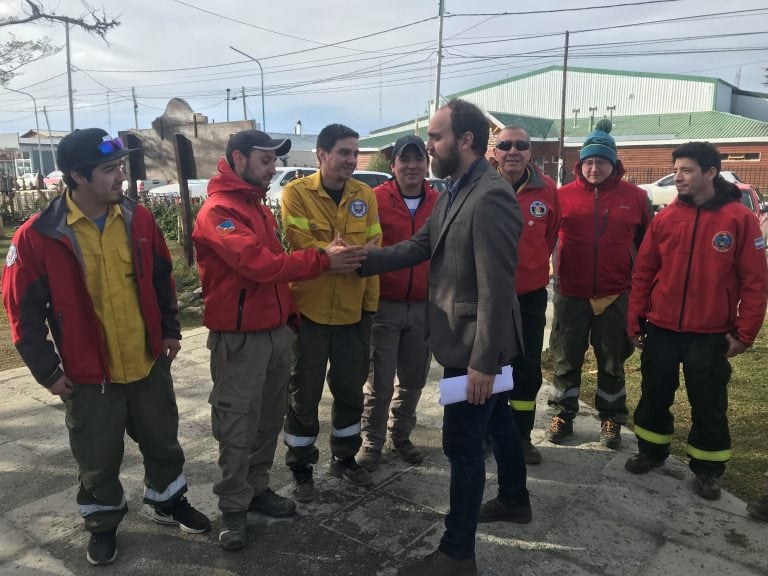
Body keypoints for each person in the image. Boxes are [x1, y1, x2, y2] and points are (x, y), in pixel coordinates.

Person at [1, 128, 210, 566]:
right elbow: (23, 313)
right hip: (87, 373)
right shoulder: (38, 236)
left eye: (120, 167)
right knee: (97, 457)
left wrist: (170, 330)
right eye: (109, 170)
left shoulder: (138, 219)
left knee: (162, 442)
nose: (121, 178)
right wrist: (48, 372)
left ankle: (168, 501)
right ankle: (103, 524)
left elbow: (160, 278)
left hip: (147, 361)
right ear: (77, 176)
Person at [360, 99, 530, 576]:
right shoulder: (457, 189)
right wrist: (361, 258)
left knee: (462, 447)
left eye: (435, 137)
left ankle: (456, 555)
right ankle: (515, 499)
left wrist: (483, 363)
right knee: (497, 428)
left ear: (466, 141)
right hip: (474, 342)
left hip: (476, 346)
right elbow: (420, 245)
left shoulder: (491, 195)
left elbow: (497, 284)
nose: (430, 146)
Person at [192, 130, 366, 550]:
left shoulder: (255, 206)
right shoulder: (220, 212)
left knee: (269, 419)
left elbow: (276, 273)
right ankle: (233, 508)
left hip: (274, 334)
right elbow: (260, 265)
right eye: (266, 161)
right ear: (238, 159)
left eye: (274, 161)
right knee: (237, 425)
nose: (274, 169)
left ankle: (256, 489)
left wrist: (288, 319)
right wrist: (324, 259)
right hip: (239, 341)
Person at [624, 141, 767, 500]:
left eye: (686, 170)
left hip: (711, 332)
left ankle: (707, 469)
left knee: (708, 402)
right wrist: (636, 319)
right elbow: (643, 272)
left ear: (710, 173)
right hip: (662, 328)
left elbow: (755, 281)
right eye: (676, 169)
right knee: (655, 393)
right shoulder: (666, 218)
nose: (678, 176)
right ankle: (651, 450)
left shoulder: (740, 219)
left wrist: (744, 333)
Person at [281, 123, 382, 502]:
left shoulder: (364, 196)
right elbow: (301, 242)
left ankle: (345, 457)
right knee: (303, 393)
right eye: (344, 152)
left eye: (355, 153)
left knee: (350, 390)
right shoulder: (295, 193)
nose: (352, 160)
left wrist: (336, 257)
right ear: (322, 155)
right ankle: (301, 466)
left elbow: (373, 245)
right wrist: (330, 256)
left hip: (354, 312)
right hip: (310, 311)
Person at [547, 119, 650, 449]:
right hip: (570, 293)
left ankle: (612, 418)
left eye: (602, 161)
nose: (595, 167)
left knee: (612, 360)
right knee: (566, 358)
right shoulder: (561, 196)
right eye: (589, 161)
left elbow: (648, 247)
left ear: (614, 164)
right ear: (580, 164)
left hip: (616, 293)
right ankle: (564, 413)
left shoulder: (635, 197)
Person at [356, 135, 438, 472]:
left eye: (418, 159)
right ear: (393, 166)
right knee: (380, 382)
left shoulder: (441, 202)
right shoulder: (375, 199)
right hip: (385, 307)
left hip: (423, 307)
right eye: (405, 160)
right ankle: (371, 442)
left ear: (427, 164)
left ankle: (400, 435)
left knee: (415, 379)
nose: (412, 166)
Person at [493, 126, 560, 465]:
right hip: (488, 296)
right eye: (505, 145)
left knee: (526, 368)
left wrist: (530, 269)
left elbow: (549, 236)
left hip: (530, 297)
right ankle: (488, 432)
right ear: (495, 153)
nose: (513, 151)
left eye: (521, 145)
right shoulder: (481, 186)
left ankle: (521, 436)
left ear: (531, 152)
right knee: (488, 365)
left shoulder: (547, 190)